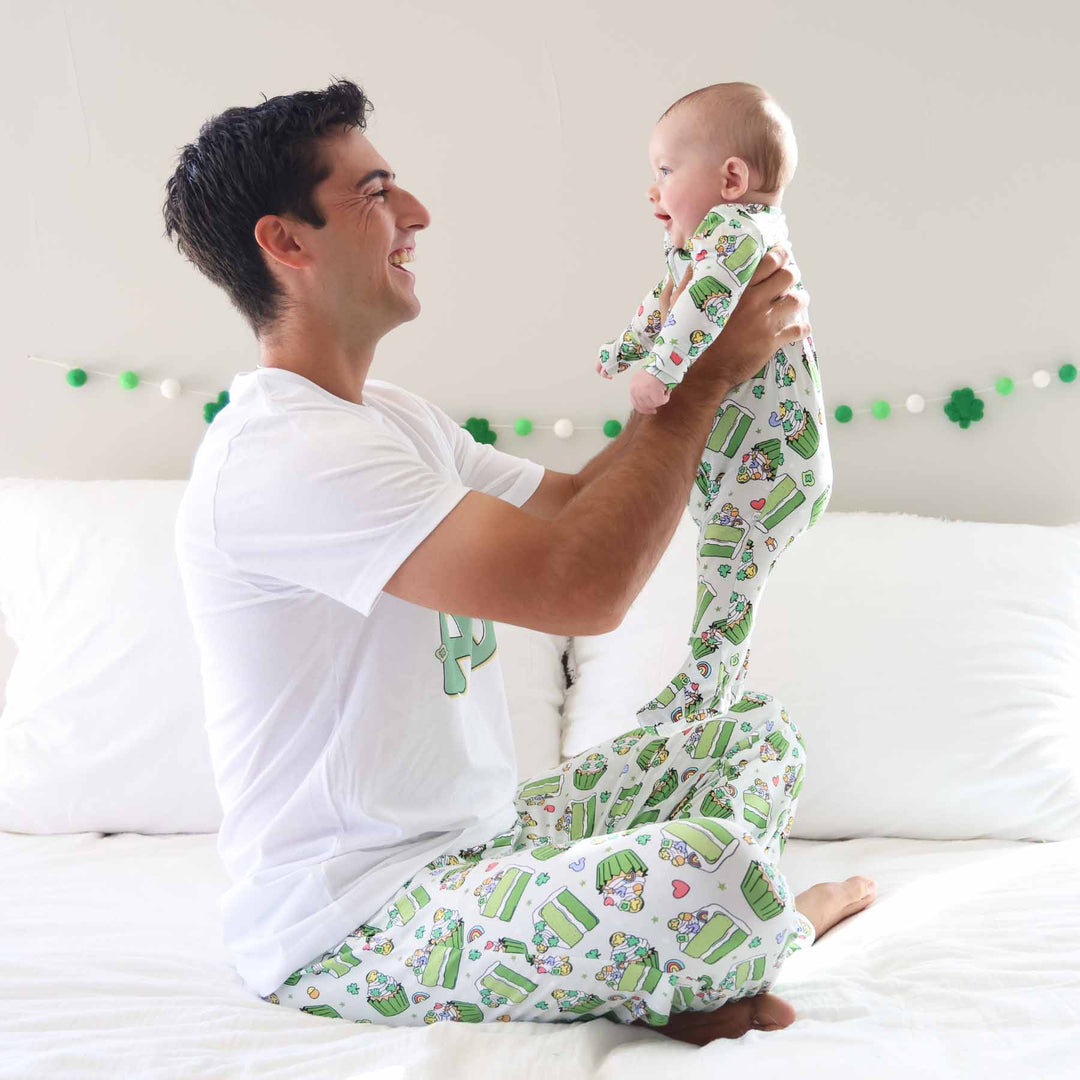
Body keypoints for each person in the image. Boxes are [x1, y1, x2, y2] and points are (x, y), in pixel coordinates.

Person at [165, 77, 875, 1046]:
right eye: (375, 195)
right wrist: (706, 376)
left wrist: (696, 348)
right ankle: (757, 934)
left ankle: (695, 962)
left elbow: (585, 506)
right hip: (352, 922)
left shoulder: (394, 420)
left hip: (489, 845)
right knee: (708, 875)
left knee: (750, 742)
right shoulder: (280, 456)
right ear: (285, 243)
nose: (416, 214)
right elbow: (581, 587)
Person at [596, 82, 833, 744]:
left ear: (731, 178)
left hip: (773, 468)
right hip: (763, 464)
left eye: (666, 172)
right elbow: (667, 295)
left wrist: (662, 369)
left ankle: (703, 688)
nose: (654, 189)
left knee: (729, 574)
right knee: (726, 575)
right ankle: (710, 686)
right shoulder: (713, 242)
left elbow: (701, 302)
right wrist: (629, 346)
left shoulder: (736, 230)